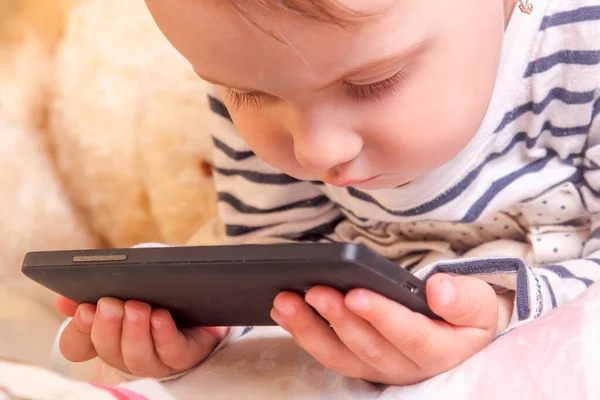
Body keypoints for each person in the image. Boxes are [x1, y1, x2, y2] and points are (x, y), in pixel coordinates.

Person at [56, 0, 600, 388]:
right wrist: (214, 326)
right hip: (359, 328)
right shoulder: (257, 67)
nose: (315, 152)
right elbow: (275, 258)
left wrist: (505, 314)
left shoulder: (585, 43)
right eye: (249, 93)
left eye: (370, 83)